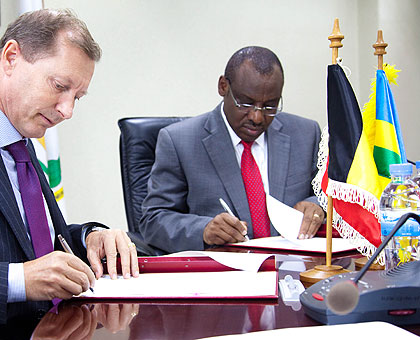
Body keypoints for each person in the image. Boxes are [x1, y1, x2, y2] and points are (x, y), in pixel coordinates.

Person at [0, 9, 139, 324]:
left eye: (78, 96)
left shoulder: (21, 146)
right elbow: (27, 270)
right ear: (11, 58)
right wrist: (19, 281)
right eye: (60, 85)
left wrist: (90, 238)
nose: (67, 110)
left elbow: (36, 248)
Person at [139, 46, 325, 254]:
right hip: (224, 276)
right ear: (223, 86)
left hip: (295, 270)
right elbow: (153, 221)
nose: (257, 117)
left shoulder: (306, 133)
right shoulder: (179, 141)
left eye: (269, 106)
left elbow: (333, 194)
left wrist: (316, 205)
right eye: (246, 103)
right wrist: (203, 230)